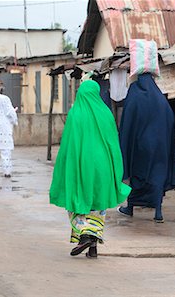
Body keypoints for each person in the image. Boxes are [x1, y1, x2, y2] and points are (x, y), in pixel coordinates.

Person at [49, 80, 131, 258]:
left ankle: (84, 234)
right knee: (98, 204)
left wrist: (64, 167)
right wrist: (115, 168)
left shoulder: (75, 113)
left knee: (78, 198)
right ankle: (92, 246)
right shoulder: (105, 113)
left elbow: (68, 144)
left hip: (80, 164)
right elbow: (113, 143)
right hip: (102, 167)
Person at [117, 73, 175, 223]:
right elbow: (171, 123)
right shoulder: (160, 100)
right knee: (157, 177)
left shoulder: (135, 94)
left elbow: (128, 120)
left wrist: (126, 140)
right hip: (160, 147)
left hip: (140, 146)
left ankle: (130, 207)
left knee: (138, 175)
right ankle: (158, 211)